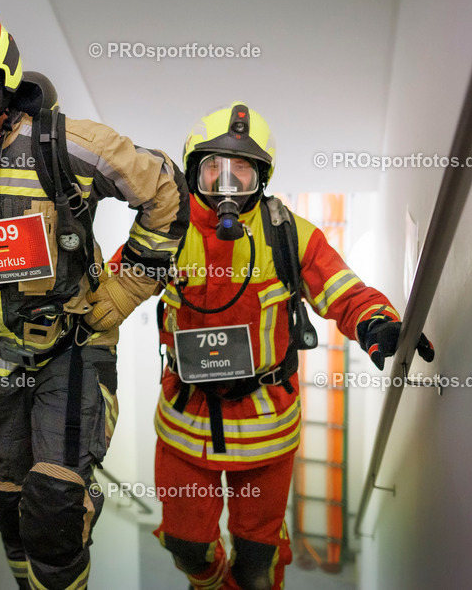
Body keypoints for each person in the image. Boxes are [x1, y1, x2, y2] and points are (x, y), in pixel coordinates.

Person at [0, 0, 189, 589]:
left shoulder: (68, 146)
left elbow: (166, 193)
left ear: (0, 82)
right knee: (9, 496)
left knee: (54, 506)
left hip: (70, 347)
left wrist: (130, 287)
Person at [151, 103, 434, 589]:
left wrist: (377, 323)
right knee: (185, 544)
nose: (226, 182)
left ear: (261, 177)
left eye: (241, 169)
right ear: (193, 169)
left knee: (257, 562)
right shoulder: (165, 231)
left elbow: (344, 289)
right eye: (213, 166)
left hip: (267, 425)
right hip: (186, 423)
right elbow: (115, 286)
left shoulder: (289, 235)